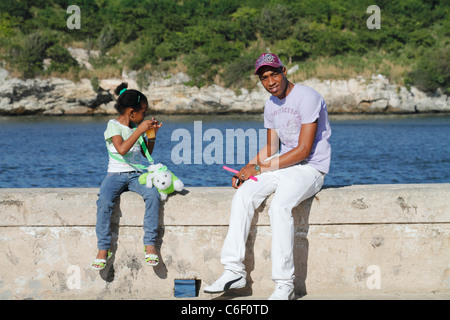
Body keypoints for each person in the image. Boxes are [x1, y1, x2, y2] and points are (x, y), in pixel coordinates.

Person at [204, 53, 332, 299]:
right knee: (244, 194)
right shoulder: (271, 105)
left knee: (279, 207)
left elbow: (303, 150)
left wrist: (260, 169)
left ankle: (285, 284)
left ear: (284, 70)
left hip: (310, 168)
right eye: (265, 77)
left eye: (274, 73)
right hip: (284, 165)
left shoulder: (308, 97)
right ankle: (233, 270)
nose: (271, 80)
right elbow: (272, 148)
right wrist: (247, 169)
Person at [91, 82, 163, 271]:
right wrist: (139, 130)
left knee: (153, 195)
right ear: (132, 112)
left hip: (136, 175)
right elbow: (121, 150)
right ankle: (102, 248)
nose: (144, 116)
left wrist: (152, 135)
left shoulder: (136, 128)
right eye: (143, 113)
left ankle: (150, 244)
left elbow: (147, 153)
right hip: (115, 174)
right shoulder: (113, 126)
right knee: (104, 201)